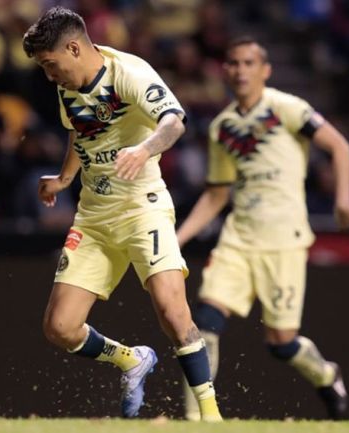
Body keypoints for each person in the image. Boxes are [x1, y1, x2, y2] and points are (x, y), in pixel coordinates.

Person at [23, 7, 222, 420]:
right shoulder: (68, 84)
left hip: (141, 208)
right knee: (59, 328)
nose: (49, 75)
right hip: (93, 217)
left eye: (50, 64)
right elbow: (81, 132)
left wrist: (145, 148)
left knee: (172, 309)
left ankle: (210, 414)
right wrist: (63, 179)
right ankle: (131, 360)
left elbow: (175, 122)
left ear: (74, 48)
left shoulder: (130, 73)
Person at [176, 36, 349, 420]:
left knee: (281, 343)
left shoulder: (288, 108)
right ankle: (197, 420)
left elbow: (340, 147)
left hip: (284, 240)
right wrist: (176, 239)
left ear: (265, 70)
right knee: (204, 321)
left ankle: (327, 376)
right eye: (233, 63)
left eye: (248, 63)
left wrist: (343, 200)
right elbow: (216, 195)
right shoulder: (222, 127)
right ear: (224, 70)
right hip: (238, 239)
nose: (240, 70)